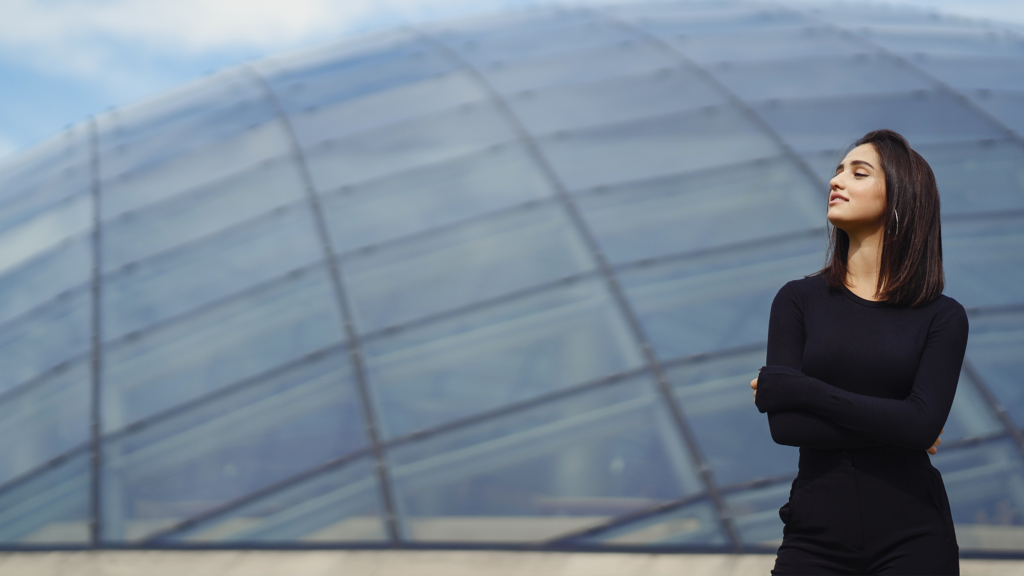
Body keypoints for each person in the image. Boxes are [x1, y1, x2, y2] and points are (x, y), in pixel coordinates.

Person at [749, 129, 968, 575]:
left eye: (858, 172)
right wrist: (901, 426)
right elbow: (786, 426)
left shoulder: (943, 316)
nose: (836, 180)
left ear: (900, 196)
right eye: (838, 170)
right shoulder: (797, 300)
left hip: (914, 537)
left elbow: (922, 425)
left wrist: (801, 389)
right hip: (814, 536)